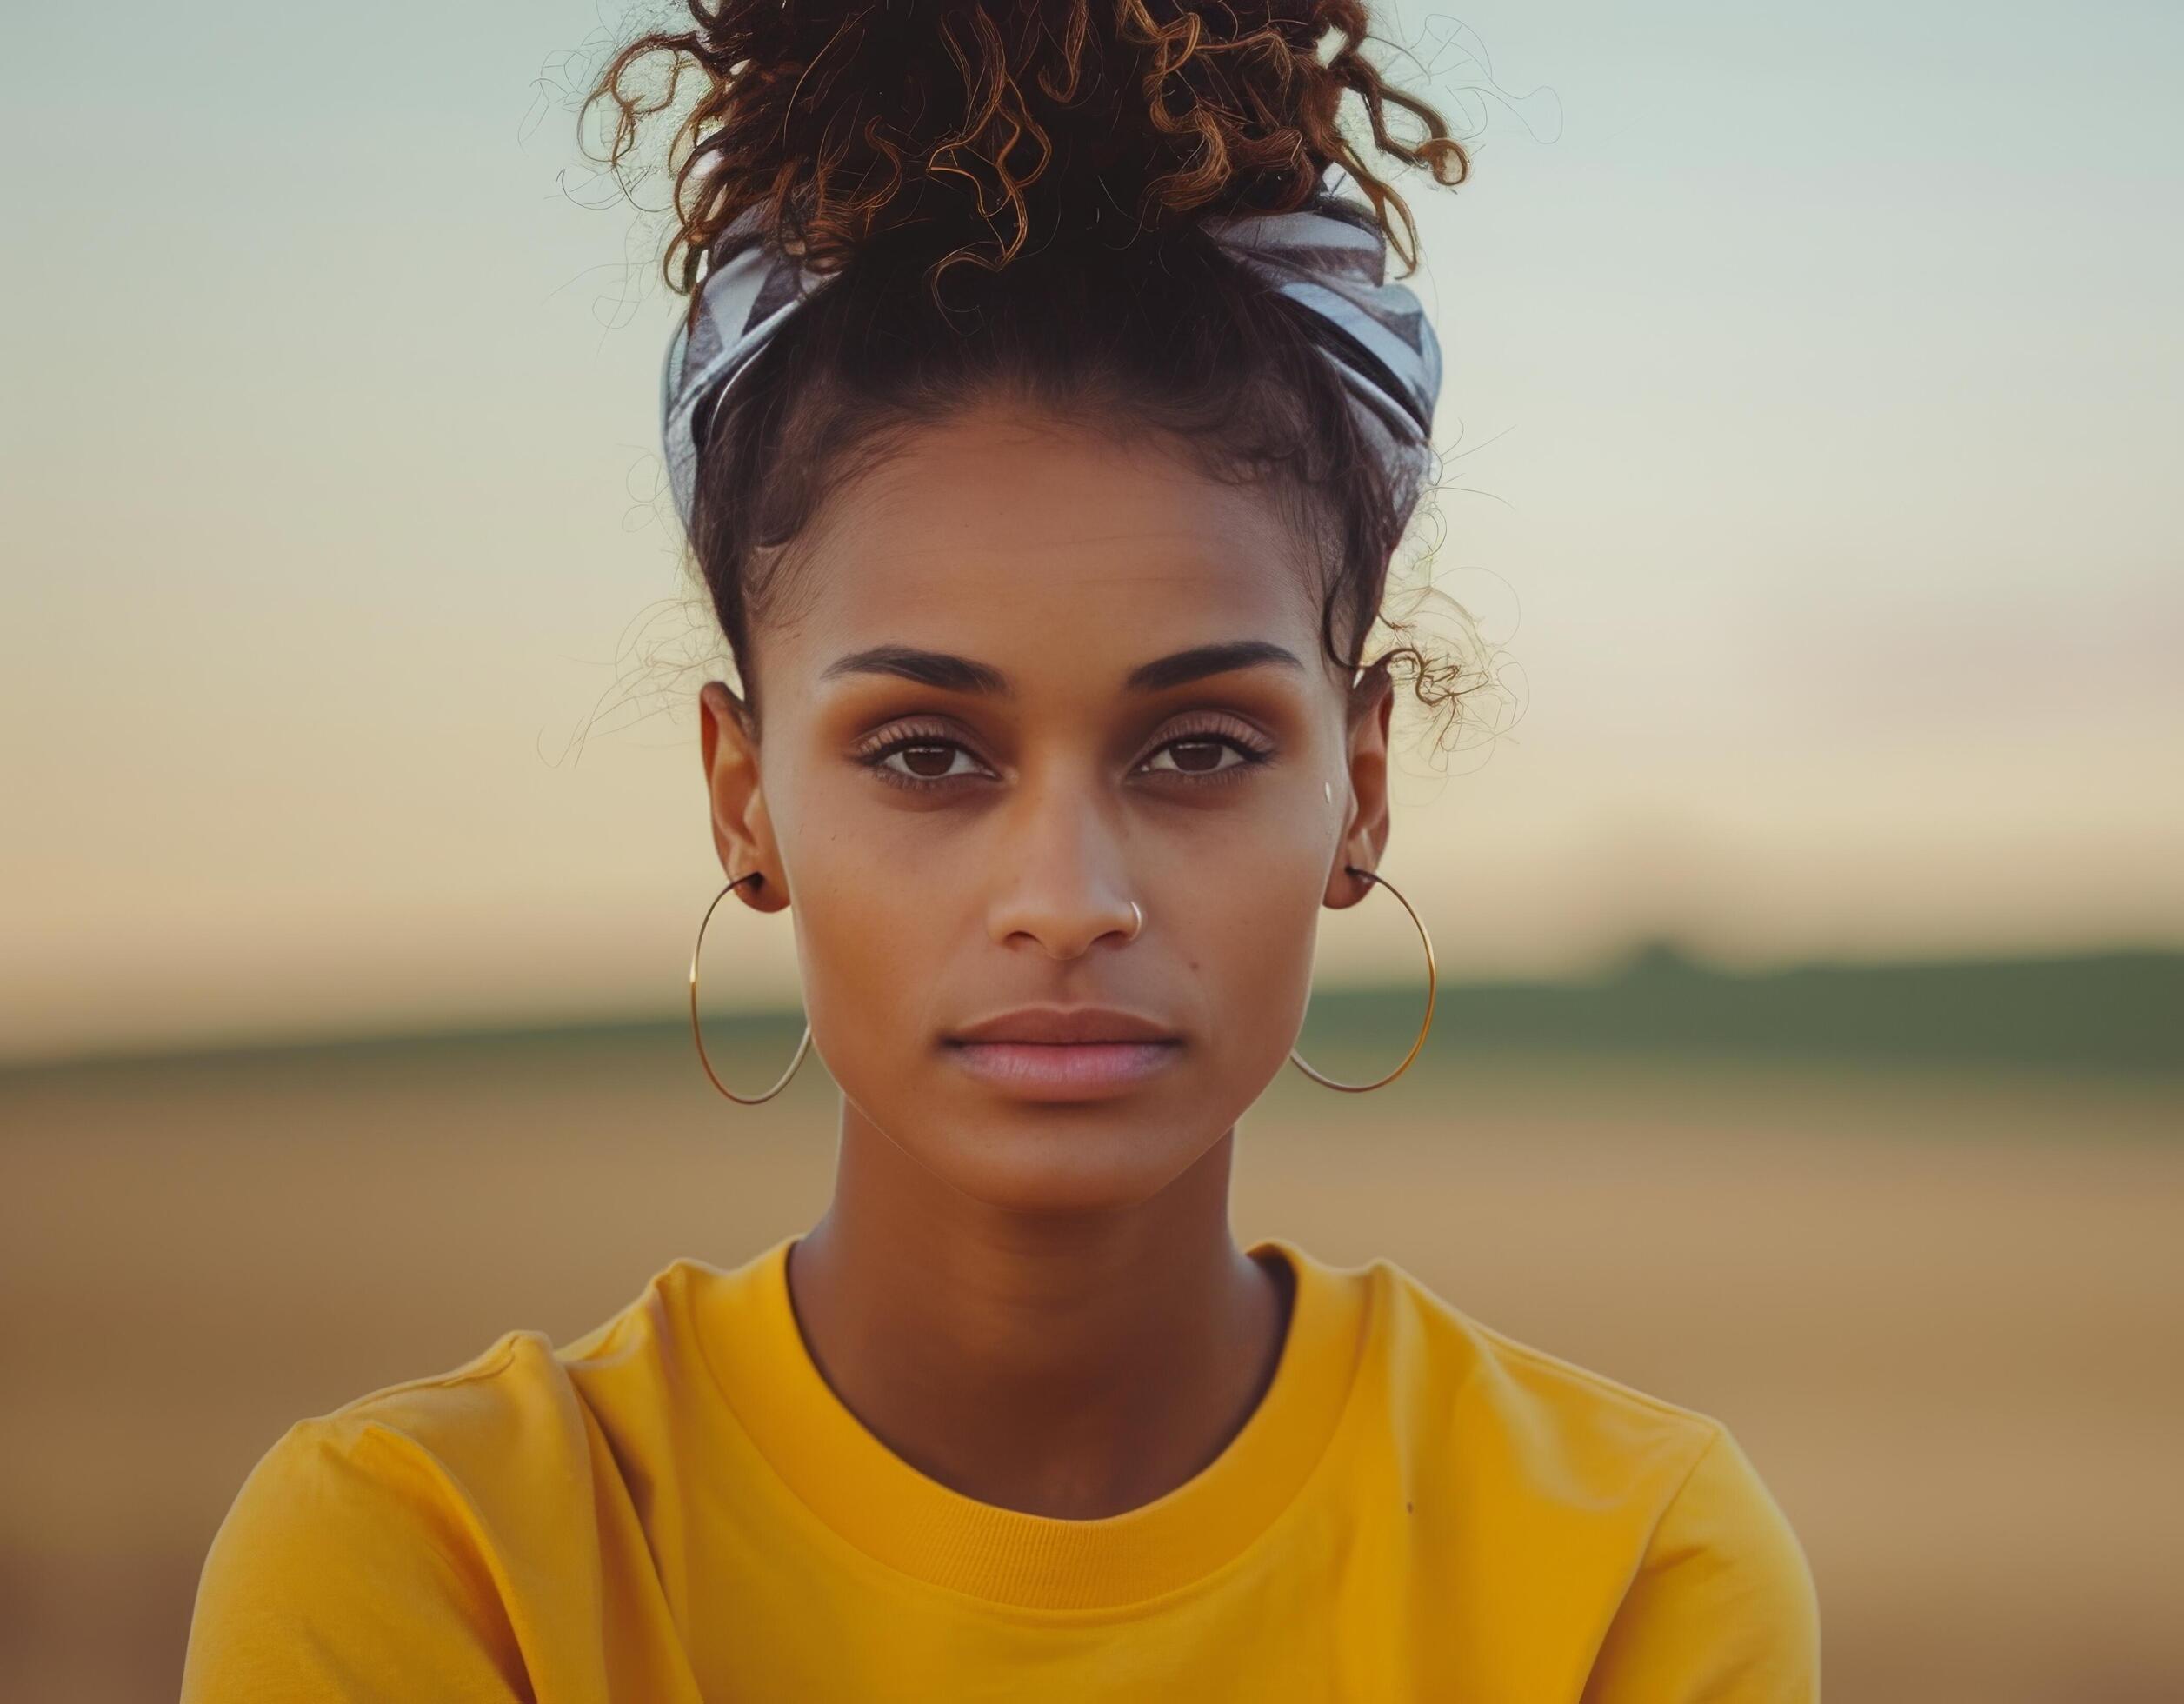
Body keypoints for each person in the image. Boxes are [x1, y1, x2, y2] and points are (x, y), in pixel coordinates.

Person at [176, 2, 1821, 1697]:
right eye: (926, 751)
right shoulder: (438, 1559)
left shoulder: (1627, 1568)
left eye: (1197, 748)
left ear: (1364, 781)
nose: (1068, 897)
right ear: (744, 796)